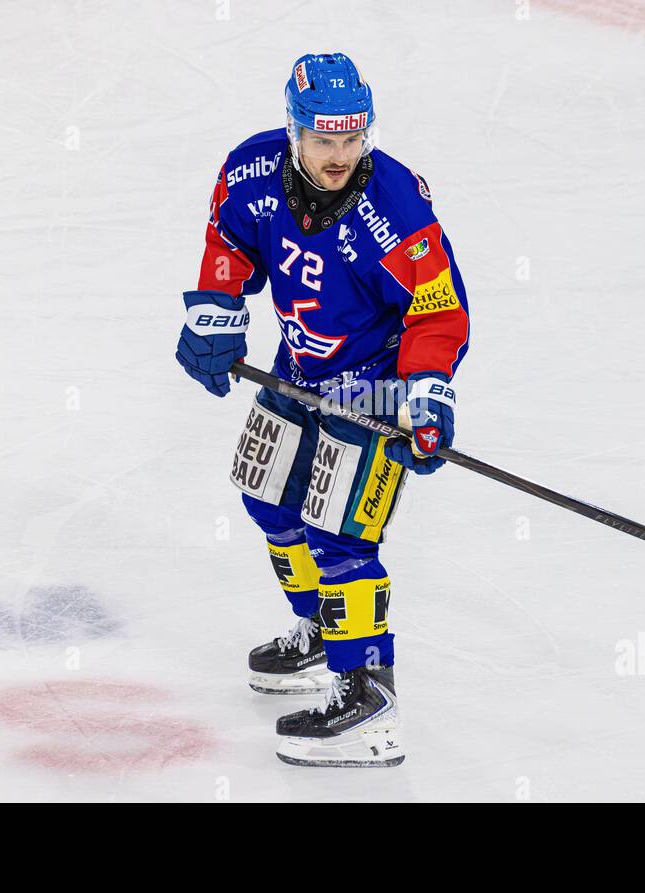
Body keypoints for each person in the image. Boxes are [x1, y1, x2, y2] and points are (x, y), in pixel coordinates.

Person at [176, 52, 470, 767]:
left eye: (352, 139)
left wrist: (426, 394)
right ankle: (321, 632)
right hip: (299, 365)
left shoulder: (395, 207)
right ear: (294, 132)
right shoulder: (252, 173)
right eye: (324, 140)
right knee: (264, 496)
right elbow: (230, 240)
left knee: (340, 534)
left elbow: (437, 312)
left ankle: (369, 699)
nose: (340, 156)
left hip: (374, 384)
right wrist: (216, 309)